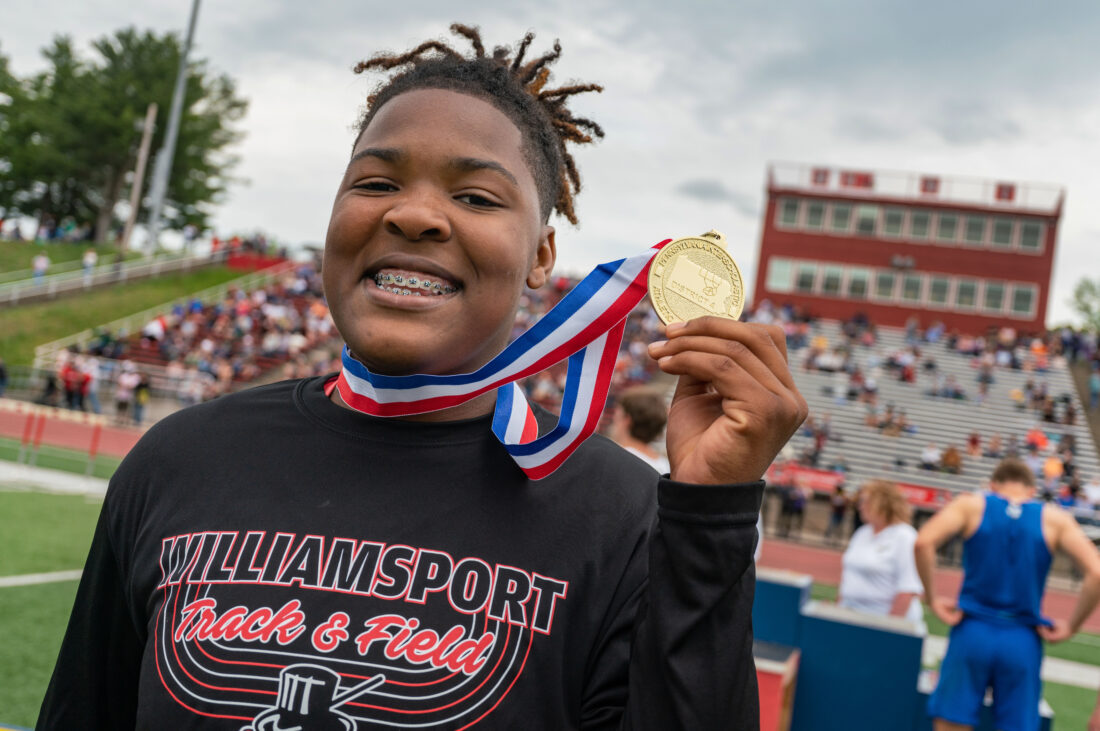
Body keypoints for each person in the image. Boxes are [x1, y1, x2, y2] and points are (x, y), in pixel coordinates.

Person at [38, 25, 807, 730]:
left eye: (475, 196)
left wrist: (711, 516)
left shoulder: (622, 515)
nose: (414, 215)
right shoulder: (175, 460)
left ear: (543, 254)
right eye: (375, 183)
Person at [915, 458, 1100, 731]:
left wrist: (932, 599)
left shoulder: (972, 504)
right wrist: (1072, 626)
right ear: (1031, 490)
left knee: (951, 724)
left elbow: (923, 543)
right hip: (1022, 639)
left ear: (993, 485)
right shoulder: (1054, 518)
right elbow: (1096, 573)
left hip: (972, 630)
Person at [838, 480, 923, 624]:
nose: (860, 506)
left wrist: (889, 627)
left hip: (881, 619)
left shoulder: (905, 536)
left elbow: (907, 589)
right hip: (852, 616)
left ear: (880, 504)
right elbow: (848, 577)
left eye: (864, 501)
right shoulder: (862, 533)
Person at [609, 386, 670, 473]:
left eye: (617, 415)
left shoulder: (615, 457)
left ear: (627, 420)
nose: (614, 420)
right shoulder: (665, 466)